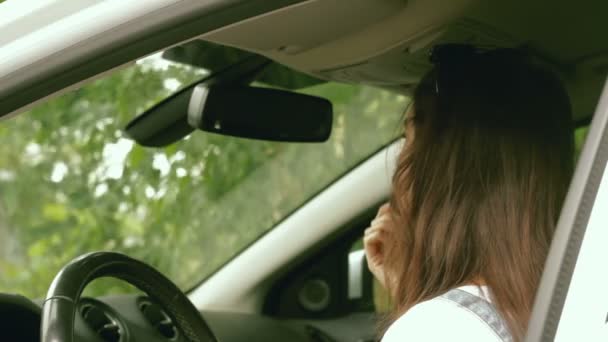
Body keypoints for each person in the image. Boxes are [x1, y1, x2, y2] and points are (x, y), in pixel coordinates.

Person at [363, 44, 574, 342]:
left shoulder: (435, 329)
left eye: (407, 141)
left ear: (438, 177)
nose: (401, 167)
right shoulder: (581, 300)